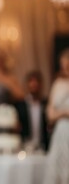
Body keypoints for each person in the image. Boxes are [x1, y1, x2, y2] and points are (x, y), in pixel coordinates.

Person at [43, 48, 69, 184]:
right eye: (63, 66)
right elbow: (50, 114)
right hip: (62, 132)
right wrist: (64, 113)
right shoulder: (58, 84)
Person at [15, 70, 49, 152]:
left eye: (36, 81)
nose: (34, 84)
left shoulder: (46, 104)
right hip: (24, 148)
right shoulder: (20, 105)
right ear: (27, 84)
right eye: (31, 81)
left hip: (43, 148)